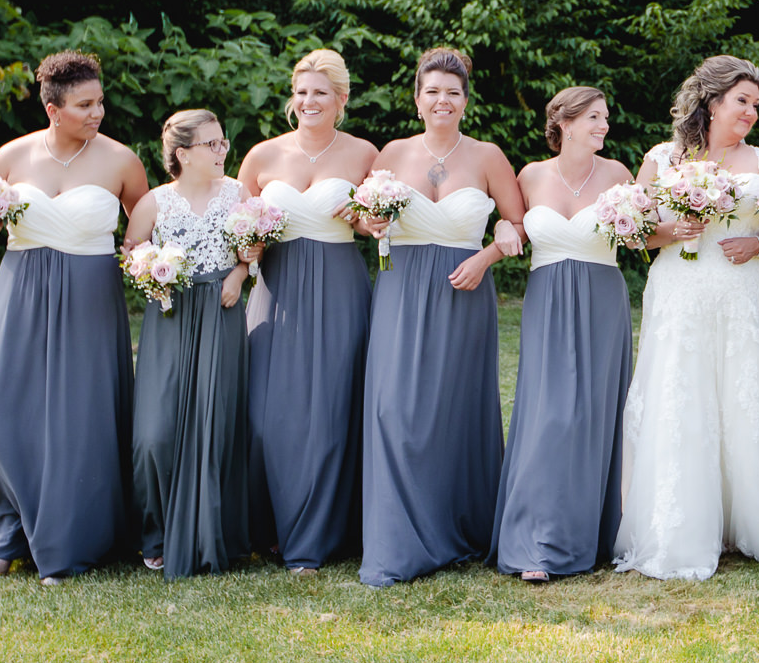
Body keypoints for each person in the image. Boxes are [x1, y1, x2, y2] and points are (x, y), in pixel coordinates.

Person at [0, 50, 149, 584]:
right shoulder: (10, 158)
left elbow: (145, 230)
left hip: (91, 296)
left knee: (80, 417)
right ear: (53, 109)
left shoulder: (121, 161)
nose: (97, 113)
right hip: (20, 289)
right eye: (84, 104)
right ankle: (7, 530)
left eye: (100, 101)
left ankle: (74, 536)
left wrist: (150, 265)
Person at [615, 55, 759, 581]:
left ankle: (756, 524)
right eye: (742, 101)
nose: (751, 113)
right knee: (682, 395)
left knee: (748, 396)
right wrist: (676, 231)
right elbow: (634, 231)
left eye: (756, 105)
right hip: (682, 292)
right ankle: (682, 526)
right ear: (711, 102)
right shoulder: (662, 160)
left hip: (748, 296)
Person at [357, 48, 525, 587]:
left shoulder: (487, 155)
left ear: (465, 101)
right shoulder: (393, 152)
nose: (442, 100)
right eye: (432, 91)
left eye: (452, 92)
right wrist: (373, 224)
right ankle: (397, 540)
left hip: (464, 287)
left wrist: (488, 255)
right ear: (417, 99)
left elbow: (517, 223)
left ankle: (463, 528)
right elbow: (366, 217)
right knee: (395, 408)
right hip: (402, 288)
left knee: (456, 407)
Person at [237, 49, 378, 576]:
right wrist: (246, 248)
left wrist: (365, 218)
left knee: (331, 412)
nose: (309, 101)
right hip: (277, 287)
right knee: (266, 415)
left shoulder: (365, 154)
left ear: (341, 99)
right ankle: (269, 526)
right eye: (301, 92)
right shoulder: (262, 156)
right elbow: (237, 226)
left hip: (340, 284)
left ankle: (320, 537)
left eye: (320, 92)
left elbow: (377, 225)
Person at [489, 86, 635, 582]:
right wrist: (502, 234)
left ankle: (589, 533)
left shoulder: (618, 175)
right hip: (547, 297)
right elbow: (512, 226)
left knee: (594, 412)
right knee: (548, 414)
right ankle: (537, 542)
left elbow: (637, 233)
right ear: (566, 123)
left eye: (606, 117)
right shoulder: (529, 175)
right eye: (595, 117)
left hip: (602, 298)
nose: (604, 125)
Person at [124, 109, 251, 579]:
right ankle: (155, 532)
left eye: (223, 143)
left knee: (214, 423)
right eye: (212, 145)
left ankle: (211, 533)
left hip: (221, 311)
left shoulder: (239, 193)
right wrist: (150, 271)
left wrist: (239, 274)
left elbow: (253, 251)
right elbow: (132, 250)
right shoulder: (154, 203)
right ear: (183, 155)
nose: (222, 151)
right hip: (170, 317)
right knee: (153, 435)